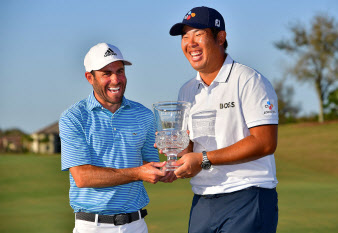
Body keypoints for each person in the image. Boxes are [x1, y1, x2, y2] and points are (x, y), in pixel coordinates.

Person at [169, 6, 279, 233]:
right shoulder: (187, 91)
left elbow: (265, 142)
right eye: (185, 36)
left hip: (248, 194)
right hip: (203, 199)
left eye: (198, 34)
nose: (190, 42)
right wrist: (175, 150)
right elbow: (190, 148)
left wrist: (203, 159)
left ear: (221, 37)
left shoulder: (249, 80)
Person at [59, 42, 167, 233]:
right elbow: (82, 177)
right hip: (92, 227)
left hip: (137, 225)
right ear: (89, 77)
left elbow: (149, 164)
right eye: (106, 74)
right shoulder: (74, 117)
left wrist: (170, 168)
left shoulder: (144, 114)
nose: (116, 80)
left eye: (120, 71)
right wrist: (139, 173)